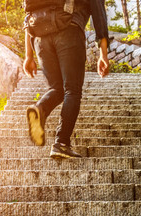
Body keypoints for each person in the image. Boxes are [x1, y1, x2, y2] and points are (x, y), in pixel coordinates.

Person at [23, 0, 110, 159]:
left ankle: (39, 109)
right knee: (72, 90)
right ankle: (61, 143)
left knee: (57, 89)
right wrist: (103, 54)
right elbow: (99, 16)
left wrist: (29, 55)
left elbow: (29, 15)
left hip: (40, 37)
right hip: (68, 31)